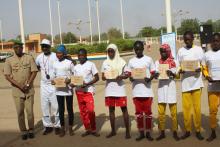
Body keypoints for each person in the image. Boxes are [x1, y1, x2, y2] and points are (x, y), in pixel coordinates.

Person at [3, 41, 38, 140]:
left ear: (23, 48)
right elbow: (7, 76)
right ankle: (23, 131)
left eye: (20, 47)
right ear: (13, 48)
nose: (18, 49)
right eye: (16, 47)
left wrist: (27, 84)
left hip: (29, 90)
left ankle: (31, 129)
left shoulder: (29, 57)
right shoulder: (9, 60)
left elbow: (34, 71)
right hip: (17, 91)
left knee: (30, 112)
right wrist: (19, 85)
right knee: (20, 112)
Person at [177, 31, 205, 140]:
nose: (187, 41)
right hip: (185, 84)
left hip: (196, 83)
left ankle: (197, 130)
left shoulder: (198, 50)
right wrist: (180, 70)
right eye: (185, 39)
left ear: (193, 38)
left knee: (197, 109)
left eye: (189, 39)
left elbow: (204, 64)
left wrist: (200, 69)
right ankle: (188, 130)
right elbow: (178, 65)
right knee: (186, 109)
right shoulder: (181, 51)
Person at [126, 41, 156, 141]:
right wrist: (130, 77)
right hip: (136, 92)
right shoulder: (131, 61)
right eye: (136, 49)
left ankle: (148, 132)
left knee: (148, 113)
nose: (138, 51)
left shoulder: (149, 59)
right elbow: (128, 73)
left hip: (147, 91)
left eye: (139, 49)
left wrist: (150, 78)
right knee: (138, 113)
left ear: (143, 49)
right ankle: (141, 132)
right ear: (134, 49)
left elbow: (154, 72)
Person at [101, 44, 131, 139]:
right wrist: (105, 76)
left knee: (124, 109)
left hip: (119, 89)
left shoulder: (122, 62)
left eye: (112, 51)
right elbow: (102, 77)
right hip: (109, 89)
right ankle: (113, 131)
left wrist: (120, 76)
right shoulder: (105, 62)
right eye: (108, 51)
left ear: (115, 51)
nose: (110, 53)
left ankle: (127, 131)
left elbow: (127, 75)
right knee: (111, 110)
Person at [72, 48, 100, 137]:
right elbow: (74, 79)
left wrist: (87, 84)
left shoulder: (91, 64)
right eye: (79, 56)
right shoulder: (76, 67)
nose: (81, 57)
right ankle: (87, 129)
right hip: (79, 92)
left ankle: (94, 129)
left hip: (88, 91)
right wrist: (72, 84)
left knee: (91, 111)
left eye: (82, 55)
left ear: (86, 56)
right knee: (83, 112)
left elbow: (97, 78)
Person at [154, 44, 180, 141]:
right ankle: (162, 132)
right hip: (161, 89)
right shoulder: (157, 62)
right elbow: (156, 75)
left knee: (173, 113)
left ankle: (175, 132)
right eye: (161, 51)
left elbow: (177, 76)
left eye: (164, 51)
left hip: (171, 89)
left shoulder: (174, 62)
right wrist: (156, 75)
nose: (163, 53)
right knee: (161, 113)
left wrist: (172, 73)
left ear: (168, 51)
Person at [35, 39, 60, 135]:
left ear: (50, 46)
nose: (44, 48)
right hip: (44, 85)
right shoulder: (39, 57)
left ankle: (57, 125)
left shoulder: (55, 56)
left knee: (56, 106)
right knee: (44, 106)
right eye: (42, 46)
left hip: (54, 84)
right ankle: (48, 126)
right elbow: (37, 67)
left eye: (46, 46)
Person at [52, 45, 74, 137]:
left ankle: (70, 128)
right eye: (57, 53)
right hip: (59, 90)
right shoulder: (55, 63)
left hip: (68, 89)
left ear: (64, 53)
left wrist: (70, 79)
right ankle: (62, 128)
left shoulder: (69, 63)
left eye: (60, 53)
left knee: (69, 109)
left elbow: (74, 74)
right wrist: (53, 81)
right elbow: (53, 75)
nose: (58, 54)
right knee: (61, 109)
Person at [202, 33, 220, 142]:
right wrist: (207, 76)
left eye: (217, 41)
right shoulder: (206, 55)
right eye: (213, 41)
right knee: (213, 111)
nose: (215, 43)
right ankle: (213, 132)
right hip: (212, 87)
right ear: (210, 43)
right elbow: (204, 68)